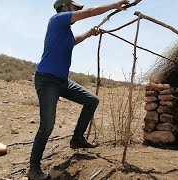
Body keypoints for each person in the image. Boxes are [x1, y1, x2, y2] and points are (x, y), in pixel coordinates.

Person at [28, 0, 129, 179]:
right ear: (66, 7)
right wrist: (114, 5)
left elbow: (74, 41)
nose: (77, 11)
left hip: (61, 81)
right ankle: (34, 169)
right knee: (47, 125)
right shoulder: (57, 19)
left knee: (92, 100)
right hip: (47, 80)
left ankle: (77, 139)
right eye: (75, 8)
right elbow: (89, 12)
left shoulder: (65, 32)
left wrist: (90, 33)